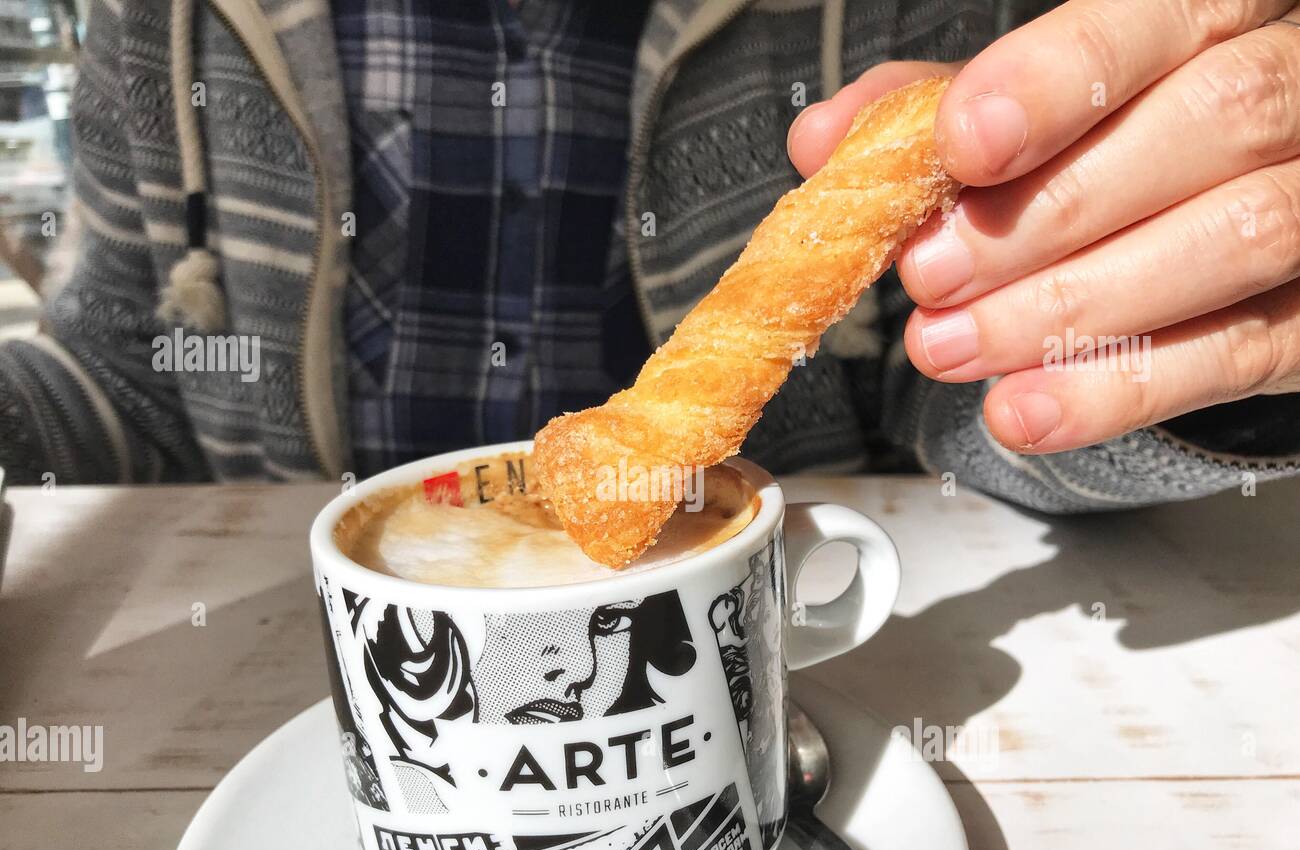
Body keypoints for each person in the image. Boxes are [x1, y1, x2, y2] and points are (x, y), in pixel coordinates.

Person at [3, 0, 1298, 515]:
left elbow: (954, 398)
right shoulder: (160, 23)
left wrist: (1195, 324)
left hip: (793, 668)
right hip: (280, 703)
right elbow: (127, 381)